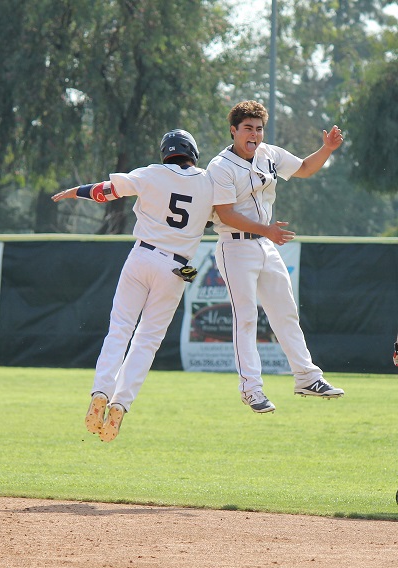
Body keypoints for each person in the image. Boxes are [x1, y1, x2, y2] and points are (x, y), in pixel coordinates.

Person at [52, 130, 217, 442]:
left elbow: (107, 191)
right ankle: (121, 404)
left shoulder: (152, 173)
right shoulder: (209, 182)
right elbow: (215, 220)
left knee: (120, 329)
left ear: (165, 152)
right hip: (176, 267)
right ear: (193, 152)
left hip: (142, 256)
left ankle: (101, 391)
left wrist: (76, 191)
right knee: (147, 341)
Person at [207, 100, 345, 414]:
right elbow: (226, 214)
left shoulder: (269, 153)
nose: (254, 134)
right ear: (234, 131)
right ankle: (251, 390)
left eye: (258, 128)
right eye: (247, 128)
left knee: (285, 311)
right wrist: (265, 230)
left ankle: (306, 377)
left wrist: (326, 149)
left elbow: (305, 169)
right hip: (235, 246)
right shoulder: (221, 166)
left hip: (265, 243)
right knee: (246, 319)